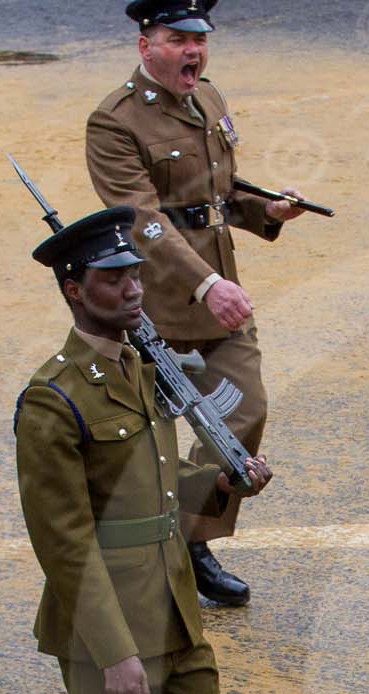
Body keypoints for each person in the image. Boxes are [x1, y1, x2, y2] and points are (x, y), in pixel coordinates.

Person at [17, 206, 270, 694]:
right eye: (112, 279)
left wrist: (221, 483)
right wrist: (113, 649)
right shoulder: (53, 401)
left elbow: (157, 494)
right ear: (71, 288)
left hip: (170, 596)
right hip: (107, 622)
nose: (132, 289)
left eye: (134, 274)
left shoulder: (141, 369)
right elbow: (64, 541)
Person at [86, 0, 309, 610]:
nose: (194, 51)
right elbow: (145, 220)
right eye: (179, 38)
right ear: (145, 46)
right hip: (150, 306)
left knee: (242, 414)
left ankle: (191, 540)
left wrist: (267, 211)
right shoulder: (114, 123)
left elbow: (215, 193)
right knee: (138, 438)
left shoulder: (208, 99)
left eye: (200, 39)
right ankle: (145, 548)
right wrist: (207, 282)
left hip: (219, 302)